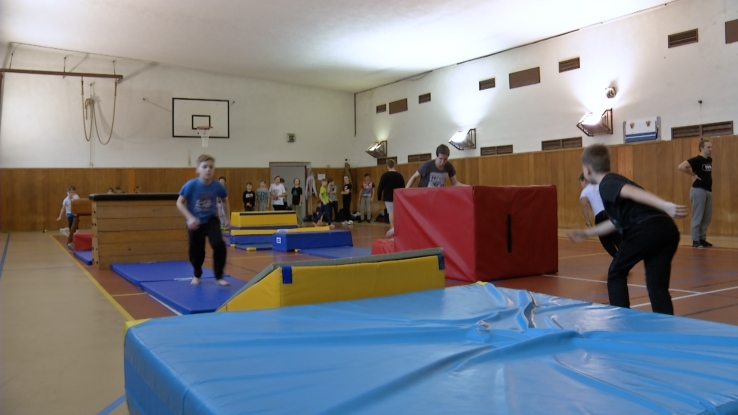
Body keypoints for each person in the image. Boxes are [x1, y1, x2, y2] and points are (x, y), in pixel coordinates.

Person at [568, 144, 687, 315]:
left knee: (616, 273)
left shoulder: (607, 183)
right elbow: (616, 222)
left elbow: (629, 191)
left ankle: (622, 322)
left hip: (645, 228)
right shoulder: (615, 184)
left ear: (587, 169)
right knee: (657, 287)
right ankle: (665, 329)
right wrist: (587, 233)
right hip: (667, 229)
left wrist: (664, 204)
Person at [176, 154, 230, 286]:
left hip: (211, 220)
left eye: (211, 167)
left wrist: (227, 218)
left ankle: (218, 276)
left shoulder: (217, 186)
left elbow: (225, 200)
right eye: (204, 167)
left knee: (219, 244)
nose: (208, 169)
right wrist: (190, 218)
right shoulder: (191, 185)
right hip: (195, 222)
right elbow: (179, 203)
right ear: (198, 169)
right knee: (196, 252)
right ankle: (197, 274)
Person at [677, 139, 714, 248]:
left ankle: (702, 239)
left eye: (711, 147)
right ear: (701, 148)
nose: (711, 149)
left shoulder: (709, 160)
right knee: (698, 216)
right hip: (698, 190)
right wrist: (692, 174)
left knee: (707, 216)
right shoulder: (696, 160)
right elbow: (681, 166)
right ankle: (695, 240)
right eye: (708, 147)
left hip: (708, 190)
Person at [578, 173, 621, 257]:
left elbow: (584, 208)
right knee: (615, 237)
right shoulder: (599, 185)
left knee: (605, 240)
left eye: (581, 182)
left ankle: (617, 259)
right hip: (610, 214)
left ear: (585, 181)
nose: (581, 185)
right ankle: (625, 256)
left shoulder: (585, 191)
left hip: (600, 216)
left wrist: (588, 222)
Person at [377, 159, 406, 238]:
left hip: (388, 196)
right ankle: (396, 227)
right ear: (394, 165)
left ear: (387, 166)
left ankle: (392, 227)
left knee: (390, 212)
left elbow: (380, 187)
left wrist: (378, 196)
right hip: (397, 196)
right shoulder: (399, 175)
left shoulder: (385, 175)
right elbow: (403, 187)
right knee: (396, 212)